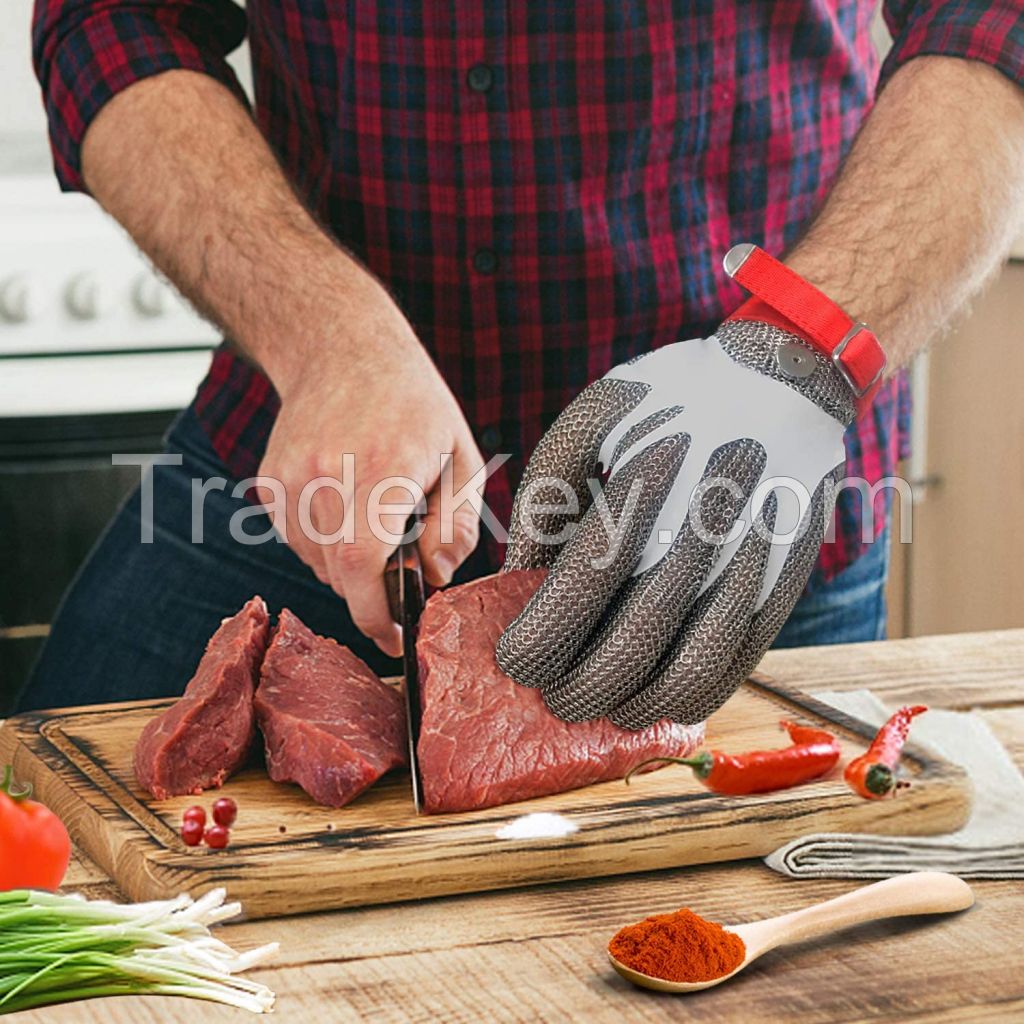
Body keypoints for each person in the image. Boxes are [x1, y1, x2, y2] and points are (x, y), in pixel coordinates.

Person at [17, 2, 1023, 715]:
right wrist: (321, 333)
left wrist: (794, 356)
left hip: (737, 499)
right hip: (311, 480)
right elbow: (110, 16)